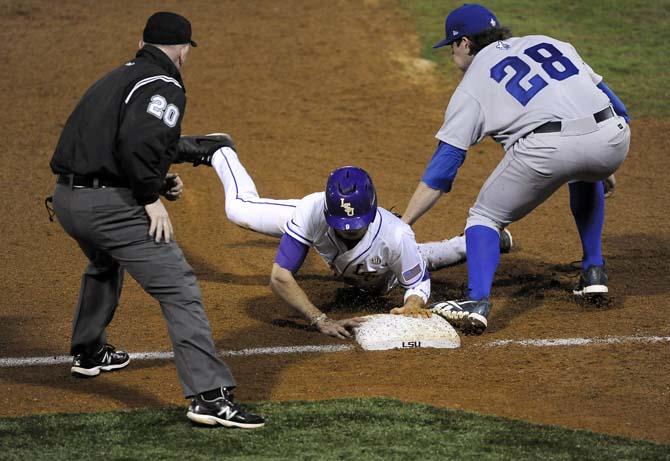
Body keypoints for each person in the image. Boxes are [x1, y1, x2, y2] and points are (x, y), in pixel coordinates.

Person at [49, 12, 264, 428]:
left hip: (68, 201)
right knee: (180, 288)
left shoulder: (117, 78)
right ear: (183, 50)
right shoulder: (165, 85)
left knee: (104, 261)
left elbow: (112, 143)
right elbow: (138, 142)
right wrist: (150, 196)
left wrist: (168, 168)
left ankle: (89, 351)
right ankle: (209, 397)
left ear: (142, 41)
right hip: (108, 208)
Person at [401, 4, 630, 335]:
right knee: (584, 171)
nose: (452, 55)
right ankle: (594, 270)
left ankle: (476, 301)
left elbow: (444, 167)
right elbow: (617, 106)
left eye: (451, 46)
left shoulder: (473, 82)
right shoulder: (550, 43)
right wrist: (602, 159)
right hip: (613, 135)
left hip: (549, 149)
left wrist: (405, 223)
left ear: (465, 43)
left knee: (484, 217)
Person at [176, 135, 513, 339]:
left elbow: (418, 282)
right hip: (316, 228)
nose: (349, 228)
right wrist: (319, 319)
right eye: (342, 222)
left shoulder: (396, 235)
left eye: (357, 224)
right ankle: (220, 151)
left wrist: (413, 304)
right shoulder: (311, 210)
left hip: (387, 267)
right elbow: (280, 276)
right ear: (328, 209)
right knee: (239, 210)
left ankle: (484, 241)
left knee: (413, 263)